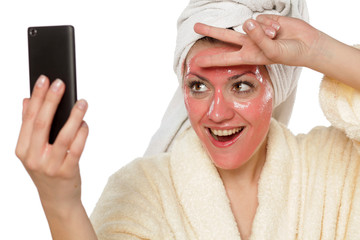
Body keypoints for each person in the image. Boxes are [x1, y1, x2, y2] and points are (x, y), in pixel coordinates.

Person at [15, 0, 360, 239]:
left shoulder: (336, 167)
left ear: (277, 86)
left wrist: (317, 50)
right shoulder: (141, 191)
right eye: (198, 86)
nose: (217, 113)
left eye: (242, 85)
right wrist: (60, 202)